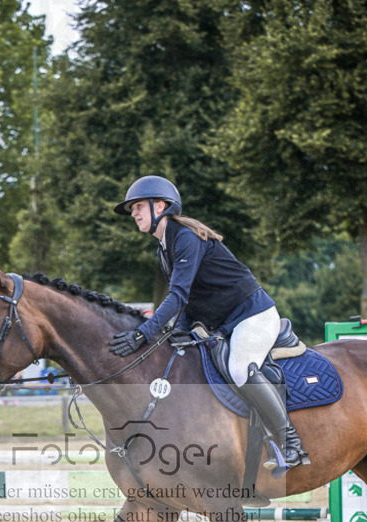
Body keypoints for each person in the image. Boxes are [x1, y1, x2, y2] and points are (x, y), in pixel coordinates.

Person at [109, 175, 309, 471]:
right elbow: (188, 301)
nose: (133, 213)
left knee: (240, 368)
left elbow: (177, 296)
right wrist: (175, 333)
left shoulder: (185, 237)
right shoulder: (164, 247)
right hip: (225, 322)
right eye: (132, 209)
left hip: (252, 315)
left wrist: (144, 334)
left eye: (138, 206)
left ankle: (291, 444)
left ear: (160, 206)